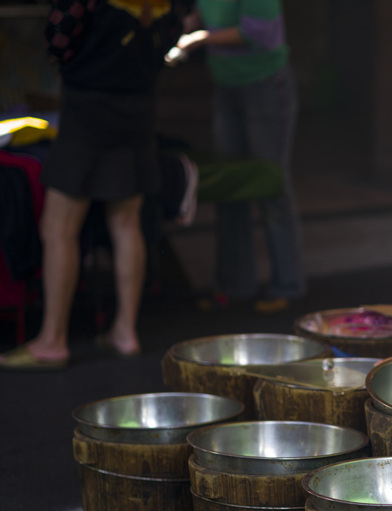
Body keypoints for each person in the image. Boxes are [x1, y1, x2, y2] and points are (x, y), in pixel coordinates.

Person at [0, 0, 187, 370]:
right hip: (138, 109)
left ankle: (52, 340)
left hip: (88, 108)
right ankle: (125, 331)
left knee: (58, 226)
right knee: (126, 223)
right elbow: (173, 33)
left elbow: (58, 36)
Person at [166, 0, 306, 313]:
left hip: (266, 84)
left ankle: (288, 284)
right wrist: (190, 22)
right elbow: (209, 9)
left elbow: (259, 32)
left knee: (271, 186)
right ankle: (234, 286)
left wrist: (199, 39)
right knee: (232, 187)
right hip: (226, 84)